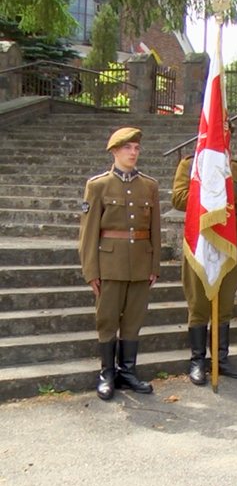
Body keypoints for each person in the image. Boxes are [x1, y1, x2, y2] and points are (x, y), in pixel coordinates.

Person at [171, 121, 237, 385]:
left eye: (225, 131)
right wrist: (208, 197)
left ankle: (221, 359)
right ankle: (198, 361)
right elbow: (177, 198)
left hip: (229, 245)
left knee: (225, 305)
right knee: (199, 305)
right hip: (200, 245)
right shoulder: (191, 164)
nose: (221, 135)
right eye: (216, 131)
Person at [78, 127, 161, 400]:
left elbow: (155, 230)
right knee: (107, 319)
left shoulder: (149, 186)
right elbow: (88, 232)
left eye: (137, 148)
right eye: (128, 148)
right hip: (109, 264)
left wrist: (154, 266)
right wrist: (91, 271)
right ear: (114, 151)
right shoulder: (98, 185)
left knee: (134, 320)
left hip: (140, 263)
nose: (133, 153)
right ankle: (107, 373)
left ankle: (128, 372)